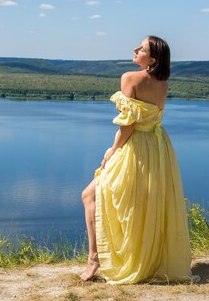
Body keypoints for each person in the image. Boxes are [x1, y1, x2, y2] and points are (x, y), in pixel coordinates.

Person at [80, 35, 192, 284]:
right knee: (143, 206)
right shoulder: (163, 83)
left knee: (91, 195)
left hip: (136, 147)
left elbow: (128, 126)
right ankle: (142, 261)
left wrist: (112, 150)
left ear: (151, 59)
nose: (135, 49)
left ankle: (95, 258)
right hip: (158, 147)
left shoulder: (130, 78)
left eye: (141, 49)